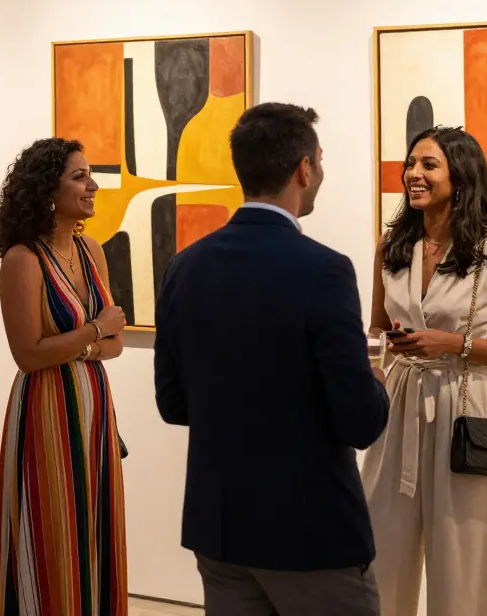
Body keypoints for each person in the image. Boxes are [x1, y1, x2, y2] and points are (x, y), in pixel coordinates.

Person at [155, 103, 389, 615]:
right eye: (320, 160)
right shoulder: (325, 270)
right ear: (304, 168)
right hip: (310, 530)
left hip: (220, 526)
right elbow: (360, 421)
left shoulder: (184, 267)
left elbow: (173, 403)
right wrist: (376, 381)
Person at [362, 126, 487, 616]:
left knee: (462, 553)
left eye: (428, 165)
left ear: (461, 175)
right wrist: (373, 373)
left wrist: (453, 342)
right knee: (381, 543)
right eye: (411, 164)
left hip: (466, 405)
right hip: (398, 402)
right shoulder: (391, 245)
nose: (413, 174)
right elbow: (373, 330)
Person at [0, 137, 128, 616]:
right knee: (51, 529)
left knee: (94, 527)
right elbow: (27, 354)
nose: (92, 186)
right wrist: (94, 332)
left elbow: (118, 344)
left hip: (93, 406)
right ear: (49, 189)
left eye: (89, 175)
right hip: (46, 411)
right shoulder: (22, 260)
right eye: (80, 176)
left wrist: (85, 343)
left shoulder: (92, 250)